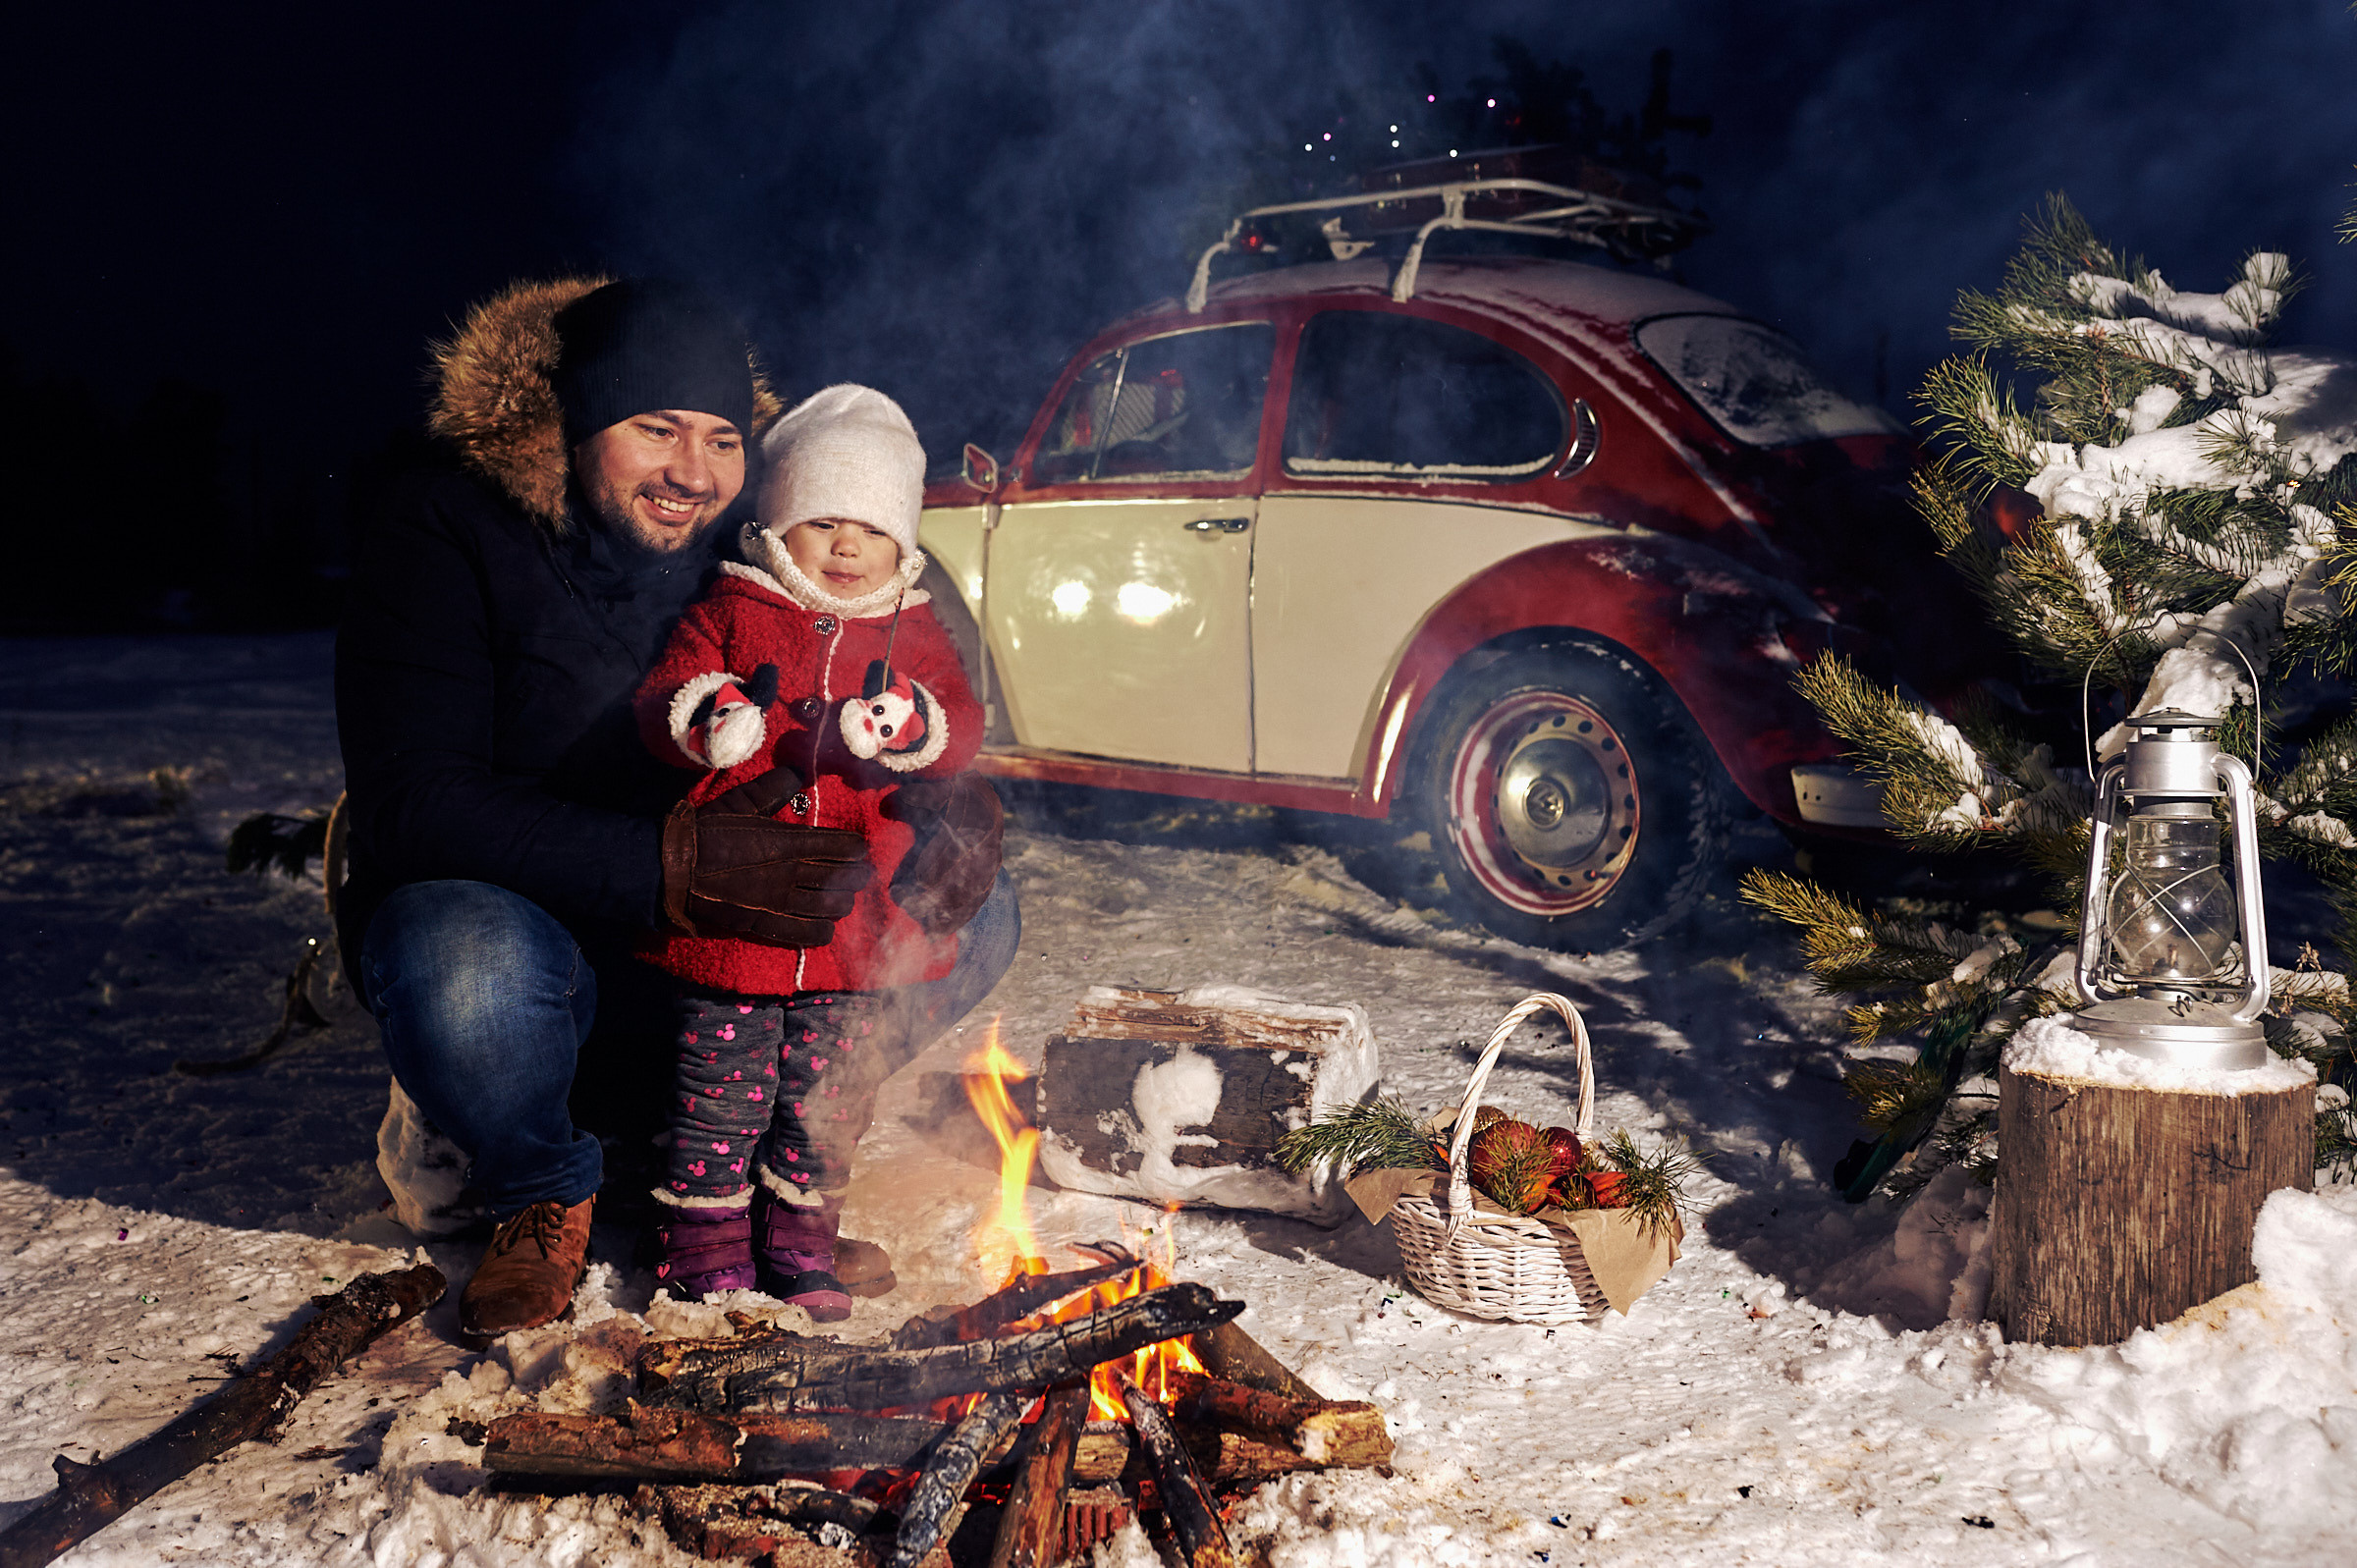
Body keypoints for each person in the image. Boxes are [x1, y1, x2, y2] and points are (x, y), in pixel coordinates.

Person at [335, 278, 1016, 1342]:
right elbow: (410, 801)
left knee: (979, 909)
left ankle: (758, 1171)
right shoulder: (447, 527)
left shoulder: (775, 532)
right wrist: (664, 865)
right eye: (654, 430)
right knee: (456, 954)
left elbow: (914, 657)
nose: (691, 472)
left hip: (739, 945)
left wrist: (963, 800)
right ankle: (537, 1179)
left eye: (720, 437)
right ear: (575, 426)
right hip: (543, 928)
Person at [632, 385, 979, 1320]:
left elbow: (960, 723)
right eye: (820, 521)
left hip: (855, 926)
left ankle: (802, 1242)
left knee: (828, 1093)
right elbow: (670, 689)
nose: (844, 546)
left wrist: (910, 718)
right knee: (719, 1086)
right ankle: (703, 1243)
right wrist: (712, 715)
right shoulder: (736, 607)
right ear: (779, 527)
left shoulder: (914, 626)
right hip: (737, 913)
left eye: (869, 528)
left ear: (902, 542)